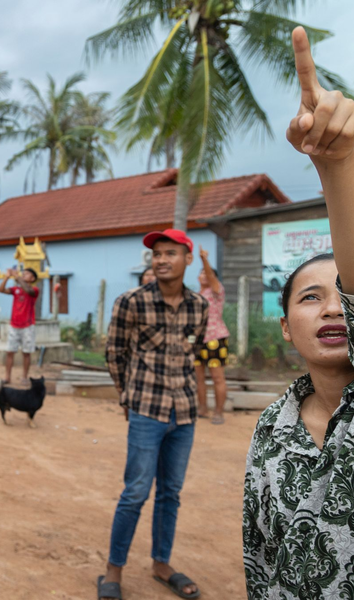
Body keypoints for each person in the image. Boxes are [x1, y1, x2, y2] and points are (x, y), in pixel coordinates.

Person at [243, 27, 354, 599]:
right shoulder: (270, 426)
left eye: (343, 292)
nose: (333, 306)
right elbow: (258, 555)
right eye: (311, 297)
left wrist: (338, 169)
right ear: (286, 327)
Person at [100, 229, 208, 600]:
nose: (161, 259)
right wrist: (127, 396)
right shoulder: (131, 302)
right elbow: (114, 353)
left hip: (185, 413)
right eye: (156, 254)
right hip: (146, 410)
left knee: (171, 494)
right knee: (135, 493)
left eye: (170, 253)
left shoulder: (199, 306)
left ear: (187, 259)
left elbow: (192, 353)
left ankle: (161, 564)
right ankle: (113, 571)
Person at [195, 247, 230, 425]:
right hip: (197, 341)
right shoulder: (195, 295)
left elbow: (211, 277)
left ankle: (218, 412)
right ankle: (202, 408)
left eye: (206, 273)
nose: (203, 274)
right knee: (198, 377)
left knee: (217, 377)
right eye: (200, 272)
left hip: (215, 339)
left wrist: (204, 260)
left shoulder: (216, 290)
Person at [0, 267, 39, 385]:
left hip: (28, 326)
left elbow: (28, 290)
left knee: (26, 353)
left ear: (32, 279)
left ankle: (24, 377)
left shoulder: (34, 290)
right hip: (14, 325)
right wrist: (6, 277)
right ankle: (7, 377)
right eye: (23, 274)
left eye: (26, 274)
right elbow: (1, 290)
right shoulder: (16, 289)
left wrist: (17, 277)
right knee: (10, 352)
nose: (23, 275)